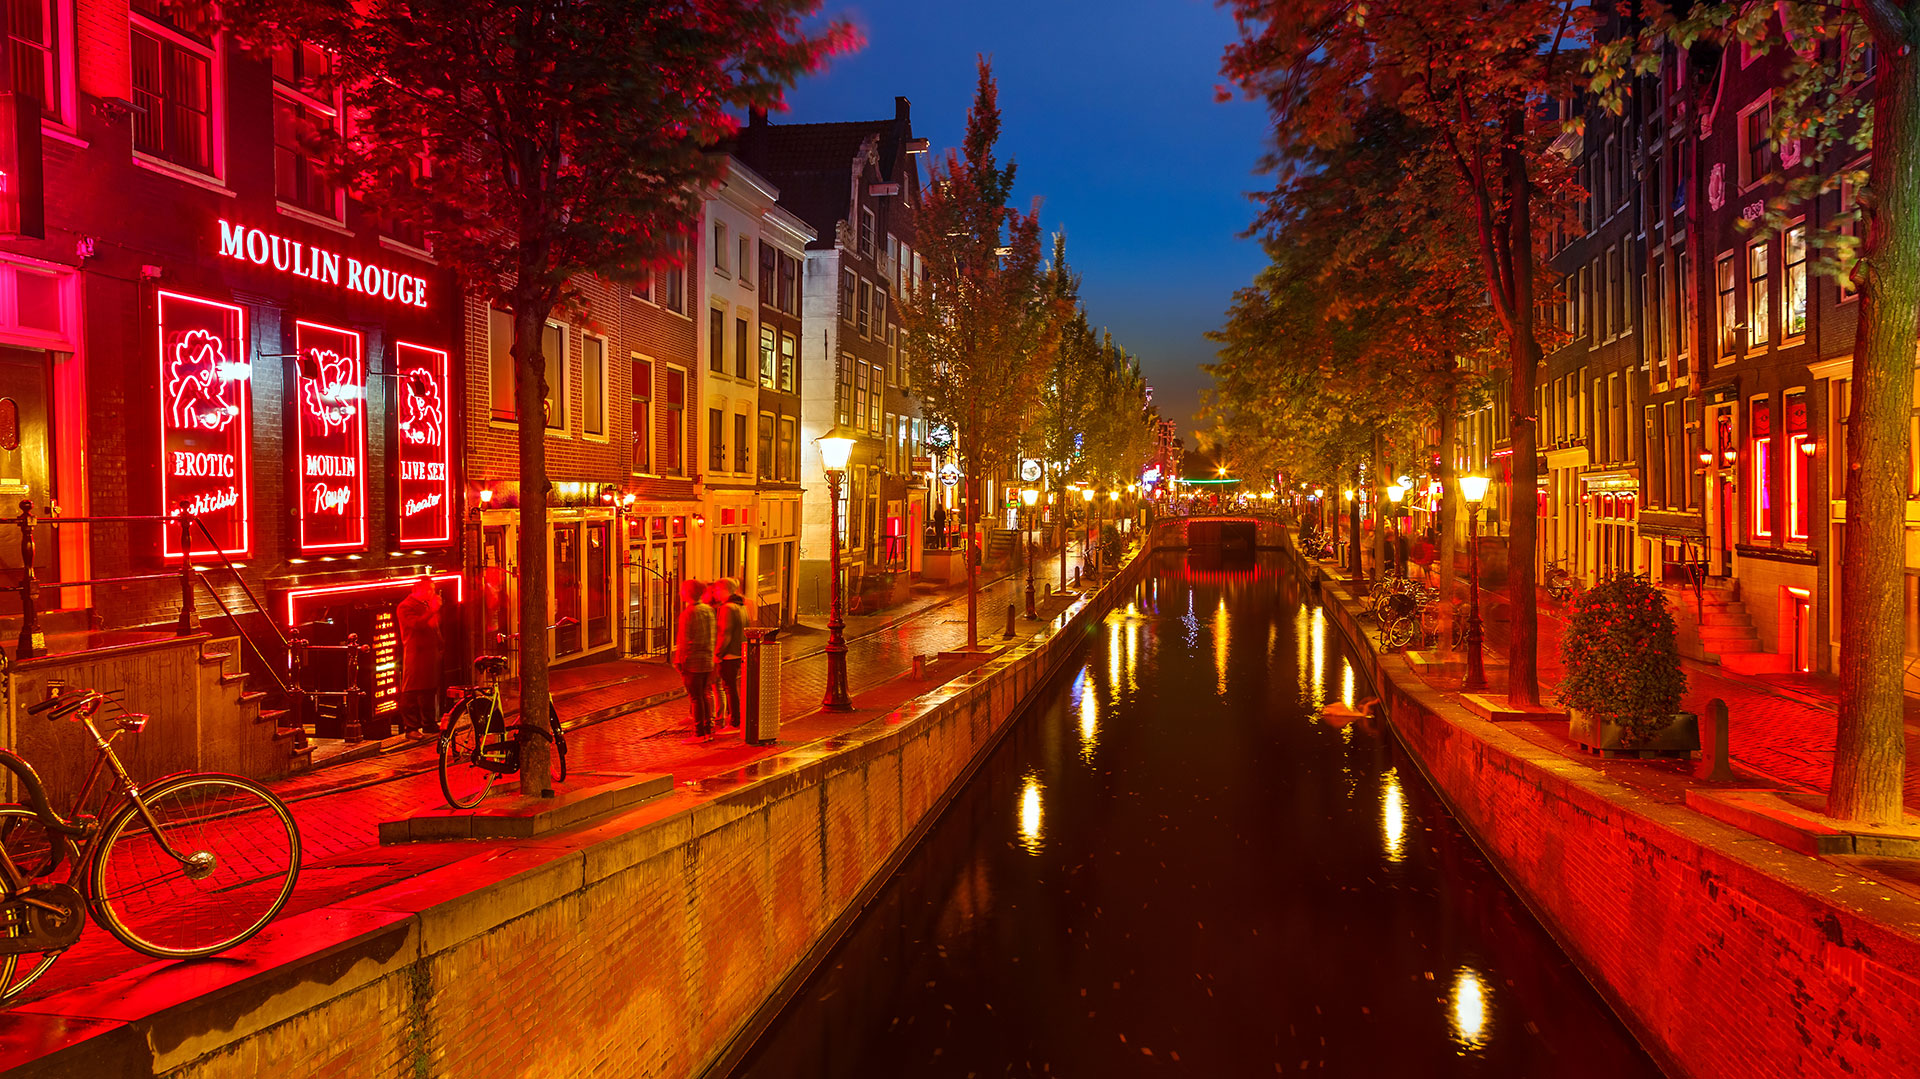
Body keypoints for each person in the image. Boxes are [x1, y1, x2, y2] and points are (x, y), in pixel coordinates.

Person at [395, 579, 442, 737]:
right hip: (416, 653)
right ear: (418, 590)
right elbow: (416, 625)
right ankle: (411, 727)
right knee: (411, 691)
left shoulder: (425, 605)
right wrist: (432, 611)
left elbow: (434, 627)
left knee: (429, 690)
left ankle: (429, 723)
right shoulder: (405, 606)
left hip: (430, 653)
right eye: (429, 590)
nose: (432, 593)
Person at [674, 579, 716, 740]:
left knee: (695, 697)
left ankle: (699, 733)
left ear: (688, 593)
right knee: (704, 694)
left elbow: (684, 640)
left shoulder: (688, 613)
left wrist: (679, 661)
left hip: (693, 662)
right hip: (707, 659)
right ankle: (707, 730)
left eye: (683, 590)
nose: (680, 593)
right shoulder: (709, 610)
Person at [707, 577, 747, 732]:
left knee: (729, 688)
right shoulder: (741, 606)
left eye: (716, 590)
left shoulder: (727, 608)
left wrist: (718, 653)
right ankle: (735, 719)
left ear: (724, 590)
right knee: (731, 687)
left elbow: (725, 633)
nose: (714, 593)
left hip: (729, 654)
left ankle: (734, 722)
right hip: (739, 652)